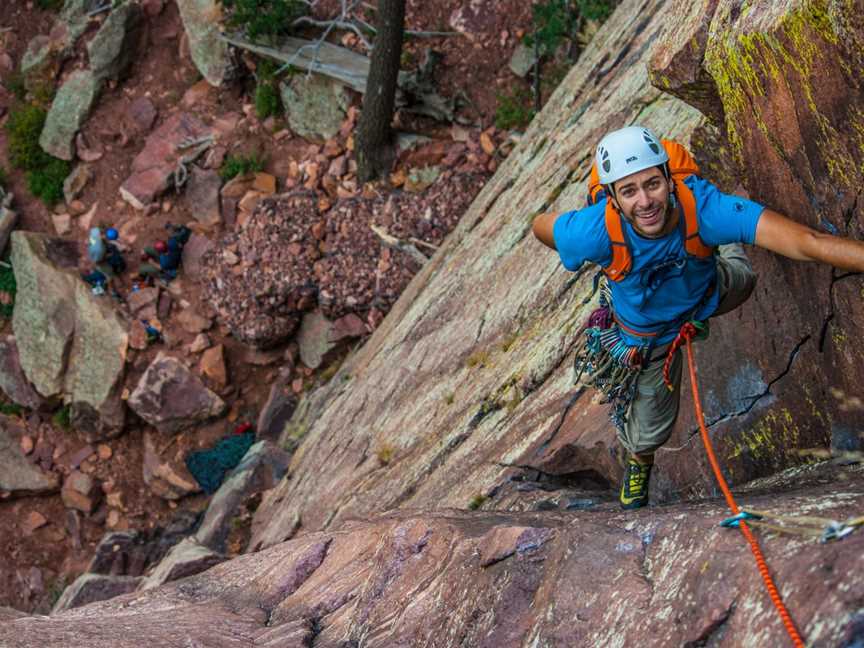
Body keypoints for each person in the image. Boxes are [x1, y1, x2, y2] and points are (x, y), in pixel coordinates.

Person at [532, 125, 864, 510]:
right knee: (645, 436)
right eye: (629, 191)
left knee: (744, 278)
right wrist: (568, 239)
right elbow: (541, 225)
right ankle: (640, 463)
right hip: (651, 336)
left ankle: (729, 236)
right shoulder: (593, 232)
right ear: (612, 198)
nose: (645, 201)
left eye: (653, 183)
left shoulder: (701, 207)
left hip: (709, 293)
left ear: (670, 179)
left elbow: (809, 243)